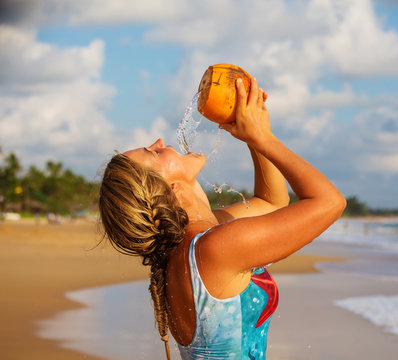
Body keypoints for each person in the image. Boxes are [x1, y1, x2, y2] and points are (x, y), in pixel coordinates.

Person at [99, 77, 346, 359]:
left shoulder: (195, 243)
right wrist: (263, 139)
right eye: (153, 153)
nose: (159, 142)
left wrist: (256, 133)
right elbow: (330, 202)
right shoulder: (214, 248)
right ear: (171, 190)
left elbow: (272, 202)